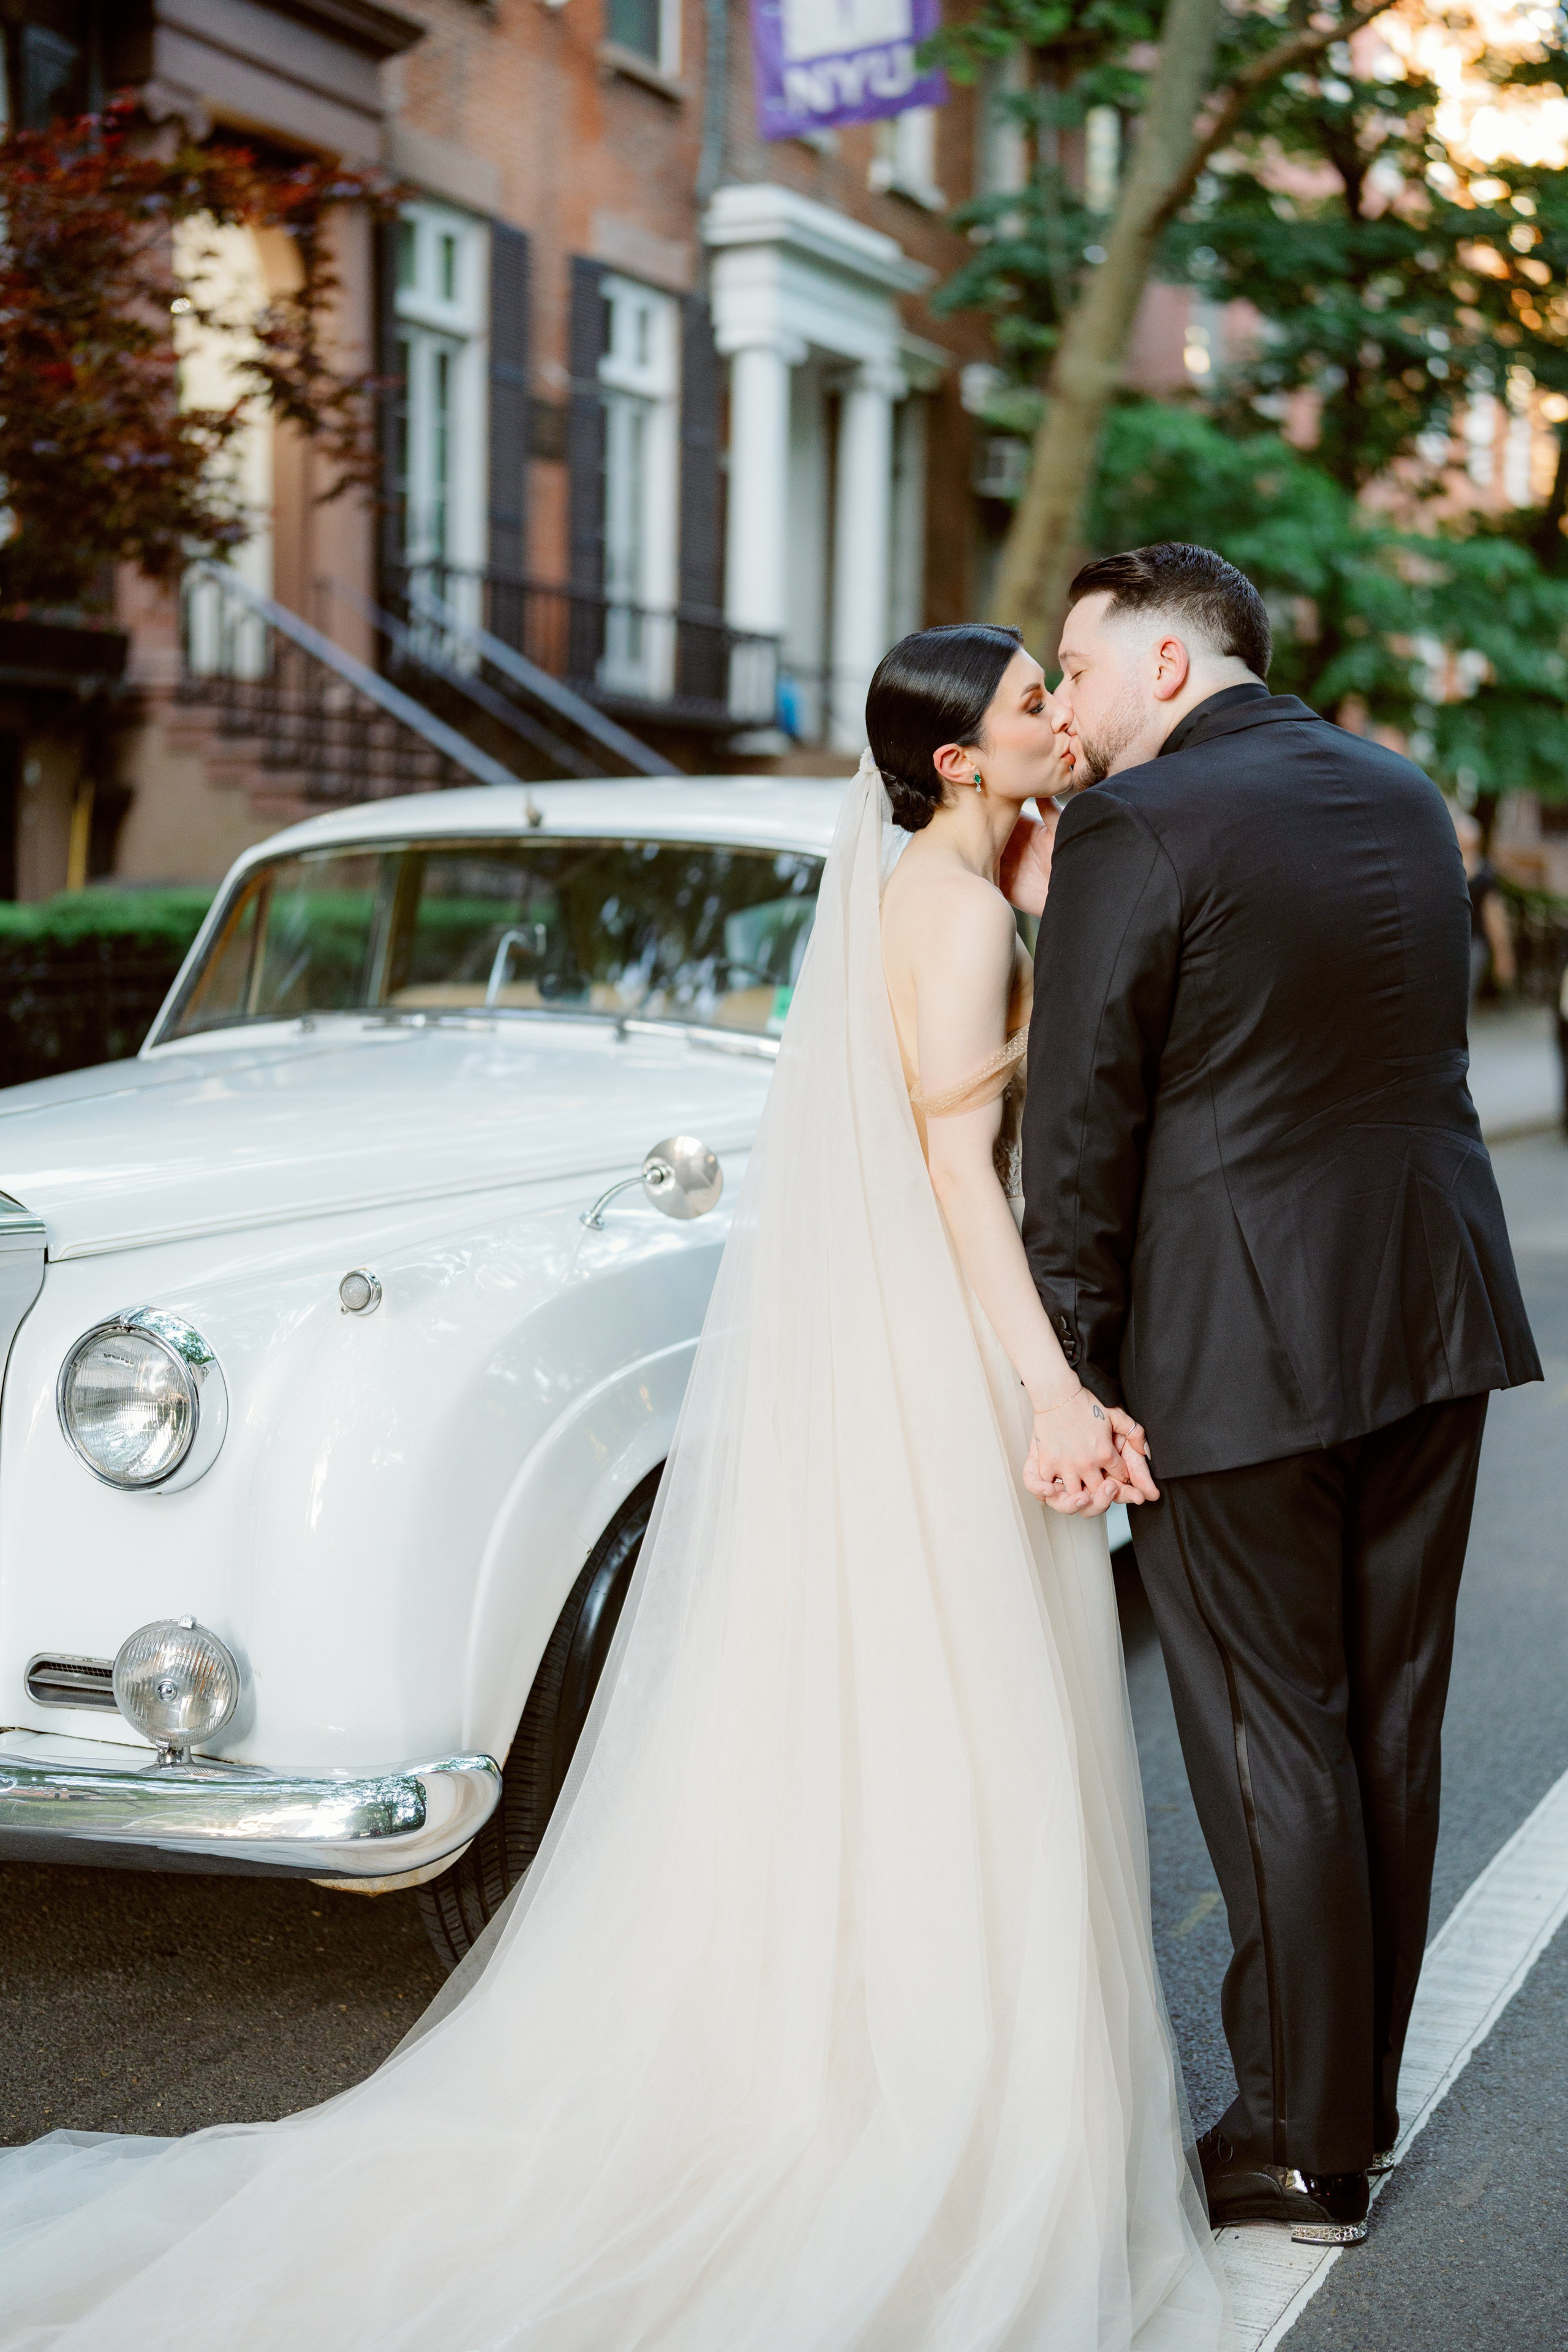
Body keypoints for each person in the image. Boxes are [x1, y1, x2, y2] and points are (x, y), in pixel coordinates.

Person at [0, 627, 1226, 2351]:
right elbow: (963, 1178)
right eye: (1039, 703)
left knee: (890, 1719)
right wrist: (1048, 1385)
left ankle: (861, 2045)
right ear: (954, 761)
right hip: (955, 1337)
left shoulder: (953, 885)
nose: (1068, 721)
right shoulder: (951, 913)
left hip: (914, 1325)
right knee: (956, 1719)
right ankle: (930, 2085)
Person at [1022, 543, 1541, 2250]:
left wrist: (1067, 1376)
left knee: (1269, 1744)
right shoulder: (1403, 798)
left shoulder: (1134, 825)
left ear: (1171, 667)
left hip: (1234, 1352)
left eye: (1082, 671)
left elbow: (1082, 1125)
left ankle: (1301, 2144)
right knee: (1384, 1717)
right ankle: (1351, 2105)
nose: (1068, 708)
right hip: (1432, 1312)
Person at [1452, 806, 1517, 1006]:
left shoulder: (1482, 876)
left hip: (1469, 945)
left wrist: (1503, 956)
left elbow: (1494, 917)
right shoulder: (1477, 873)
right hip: (1460, 944)